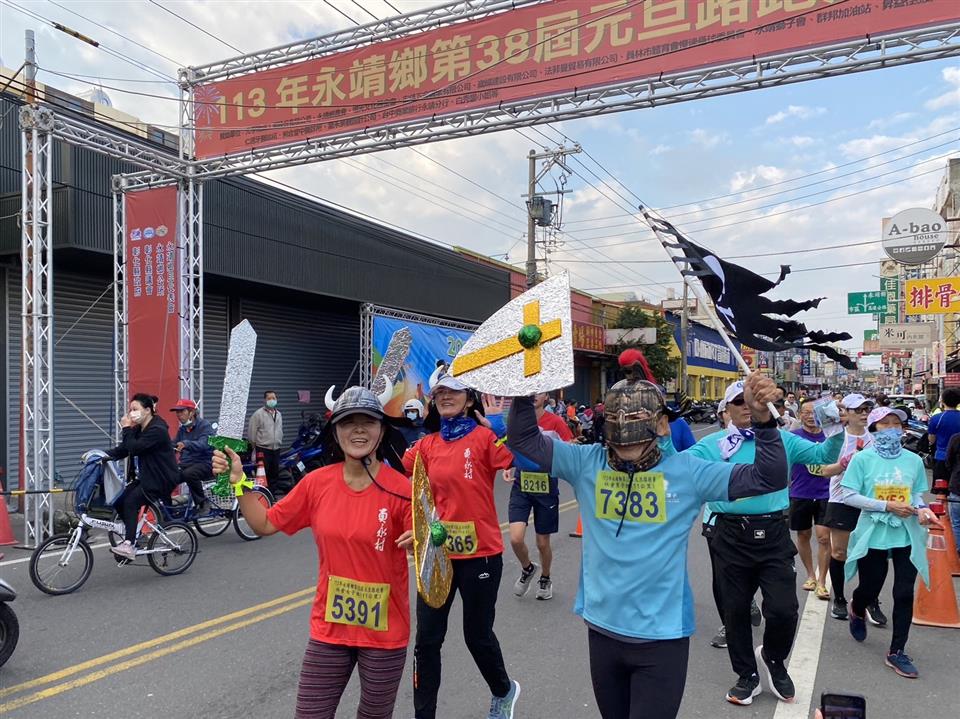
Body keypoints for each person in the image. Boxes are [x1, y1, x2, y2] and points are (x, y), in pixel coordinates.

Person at [507, 372, 787, 719]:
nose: (625, 449)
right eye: (618, 439)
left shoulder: (688, 471)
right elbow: (523, 439)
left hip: (662, 638)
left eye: (634, 439)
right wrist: (521, 387)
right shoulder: (586, 462)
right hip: (602, 630)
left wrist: (764, 421)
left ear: (660, 426)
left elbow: (768, 477)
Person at [213, 387, 414, 719]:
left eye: (368, 422)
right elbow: (263, 523)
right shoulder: (316, 484)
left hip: (385, 631)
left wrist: (430, 537)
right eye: (349, 423)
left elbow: (432, 554)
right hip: (330, 628)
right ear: (335, 431)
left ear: (382, 430)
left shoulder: (402, 490)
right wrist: (237, 482)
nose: (359, 430)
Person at [687, 379, 842, 706]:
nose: (747, 406)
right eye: (739, 402)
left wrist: (836, 427)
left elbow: (822, 453)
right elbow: (680, 466)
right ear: (725, 410)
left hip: (773, 533)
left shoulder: (782, 439)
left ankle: (773, 659)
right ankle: (746, 675)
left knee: (784, 608)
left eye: (751, 401)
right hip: (728, 534)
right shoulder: (713, 444)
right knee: (735, 611)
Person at [402, 374, 519, 719]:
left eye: (453, 391)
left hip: (480, 553)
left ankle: (503, 691)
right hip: (436, 554)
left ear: (468, 399)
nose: (444, 396)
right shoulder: (427, 445)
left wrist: (498, 426)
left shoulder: (484, 438)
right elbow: (393, 472)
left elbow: (518, 458)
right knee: (427, 641)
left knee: (477, 636)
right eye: (439, 391)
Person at [840, 406, 940, 678]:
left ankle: (897, 651)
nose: (893, 428)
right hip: (874, 532)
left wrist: (923, 510)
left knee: (904, 592)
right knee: (870, 588)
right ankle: (857, 608)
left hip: (906, 533)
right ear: (873, 428)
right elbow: (848, 495)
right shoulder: (863, 459)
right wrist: (886, 506)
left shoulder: (913, 460)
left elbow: (917, 495)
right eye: (886, 423)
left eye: (897, 423)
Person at [506, 391, 574, 601]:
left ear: (546, 397)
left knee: (542, 543)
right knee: (515, 538)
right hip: (521, 485)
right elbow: (511, 445)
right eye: (530, 392)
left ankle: (545, 577)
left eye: (539, 392)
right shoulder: (516, 419)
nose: (534, 395)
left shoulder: (555, 422)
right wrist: (508, 465)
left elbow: (570, 448)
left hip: (546, 487)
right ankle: (527, 569)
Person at [824, 394, 877, 622]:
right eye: (859, 410)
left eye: (867, 409)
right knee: (839, 552)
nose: (864, 413)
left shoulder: (875, 437)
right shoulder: (836, 436)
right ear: (847, 412)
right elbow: (825, 470)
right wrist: (844, 463)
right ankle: (840, 599)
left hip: (869, 501)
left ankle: (869, 600)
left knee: (872, 553)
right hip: (841, 499)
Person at [107, 393, 180, 560]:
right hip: (146, 478)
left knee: (131, 502)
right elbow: (124, 449)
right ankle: (135, 535)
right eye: (130, 409)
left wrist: (125, 428)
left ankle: (129, 544)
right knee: (118, 500)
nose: (131, 413)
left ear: (147, 410)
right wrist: (100, 456)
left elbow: (135, 448)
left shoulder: (157, 430)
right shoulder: (139, 429)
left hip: (161, 479)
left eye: (135, 409)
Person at [789, 400, 834, 600]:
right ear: (800, 415)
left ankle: (823, 581)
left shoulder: (830, 437)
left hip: (826, 493)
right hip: (800, 492)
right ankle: (810, 575)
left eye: (813, 412)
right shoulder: (793, 437)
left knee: (824, 537)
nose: (809, 416)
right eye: (805, 412)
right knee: (803, 535)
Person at [170, 398, 214, 513]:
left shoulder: (204, 426)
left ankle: (203, 503)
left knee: (189, 474)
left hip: (205, 463)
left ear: (192, 412)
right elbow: (175, 445)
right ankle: (168, 508)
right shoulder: (182, 429)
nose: (178, 415)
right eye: (177, 412)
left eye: (182, 411)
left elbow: (204, 444)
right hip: (187, 463)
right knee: (169, 476)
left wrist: (186, 444)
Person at [248, 390, 283, 488]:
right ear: (265, 400)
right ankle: (263, 494)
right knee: (263, 474)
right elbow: (251, 433)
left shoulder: (279, 414)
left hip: (276, 449)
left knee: (274, 473)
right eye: (269, 398)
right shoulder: (258, 414)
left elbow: (280, 429)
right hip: (263, 449)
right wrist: (255, 447)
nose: (272, 400)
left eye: (274, 398)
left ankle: (272, 496)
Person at [926, 388, 960, 489]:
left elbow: (931, 440)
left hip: (942, 458)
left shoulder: (936, 418)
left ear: (942, 401)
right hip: (958, 460)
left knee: (941, 493)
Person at [945, 432, 960, 558]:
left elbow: (948, 461)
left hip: (957, 486)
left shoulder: (956, 438)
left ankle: (958, 553)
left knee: (957, 523)